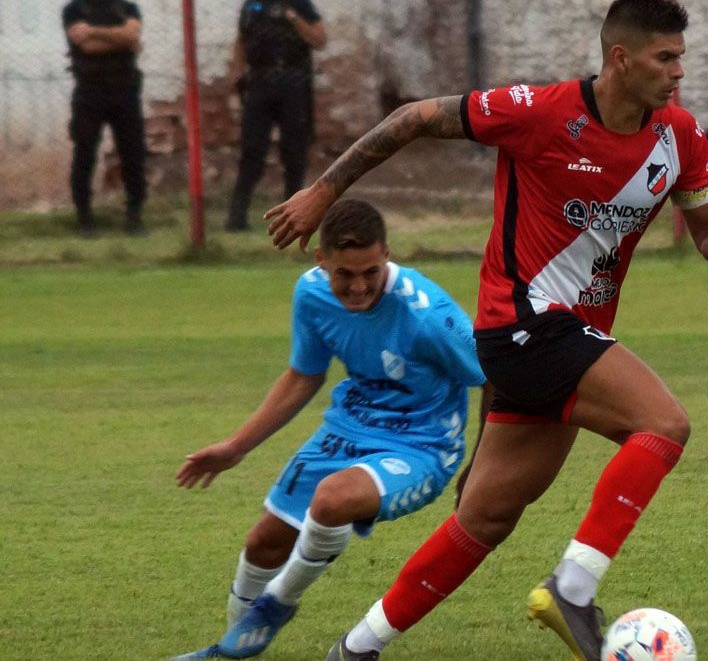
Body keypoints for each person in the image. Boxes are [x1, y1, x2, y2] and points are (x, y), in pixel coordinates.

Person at [267, 0, 708, 660]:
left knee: (486, 517)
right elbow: (413, 117)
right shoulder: (541, 112)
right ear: (621, 58)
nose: (678, 72)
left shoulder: (681, 137)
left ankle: (356, 647)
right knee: (663, 424)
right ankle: (572, 589)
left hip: (559, 342)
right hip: (525, 323)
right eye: (664, 58)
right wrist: (324, 191)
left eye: (680, 57)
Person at [172, 199, 492, 660]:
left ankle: (278, 603)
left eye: (371, 272)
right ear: (321, 260)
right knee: (264, 542)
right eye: (345, 274)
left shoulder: (428, 314)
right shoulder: (311, 294)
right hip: (348, 428)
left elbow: (494, 377)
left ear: (387, 255)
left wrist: (483, 464)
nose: (359, 287)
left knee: (332, 500)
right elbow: (304, 376)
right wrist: (237, 447)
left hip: (422, 446)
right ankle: (232, 650)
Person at [225, 0, 327, 232]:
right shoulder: (253, 4)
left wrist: (293, 18)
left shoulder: (299, 2)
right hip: (260, 83)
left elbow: (320, 39)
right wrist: (234, 80)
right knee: (252, 150)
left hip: (293, 83)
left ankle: (293, 216)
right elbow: (241, 43)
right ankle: (236, 218)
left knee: (294, 151)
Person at [62, 0, 147, 237]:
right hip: (89, 93)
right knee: (85, 155)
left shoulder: (127, 7)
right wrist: (121, 39)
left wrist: (93, 31)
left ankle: (134, 217)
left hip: (125, 92)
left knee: (133, 154)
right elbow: (86, 46)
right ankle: (84, 218)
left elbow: (132, 35)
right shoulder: (75, 8)